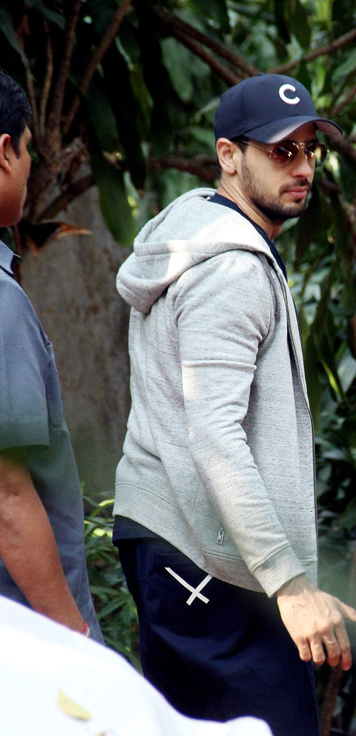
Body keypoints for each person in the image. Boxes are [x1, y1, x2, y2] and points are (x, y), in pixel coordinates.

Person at [113, 73, 356, 735]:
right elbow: (215, 438)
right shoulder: (230, 271)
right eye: (283, 152)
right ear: (230, 156)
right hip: (198, 558)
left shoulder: (200, 240)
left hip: (191, 551)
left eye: (311, 150)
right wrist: (289, 583)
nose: (304, 167)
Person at [0, 69, 101, 641]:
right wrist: (74, 641)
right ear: (5, 151)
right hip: (27, 638)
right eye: (31, 149)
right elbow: (8, 497)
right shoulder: (1, 304)